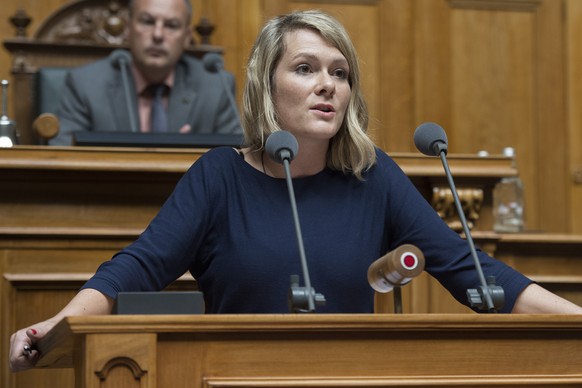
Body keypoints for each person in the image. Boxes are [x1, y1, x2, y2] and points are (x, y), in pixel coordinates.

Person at [10, 9, 582, 372]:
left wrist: (574, 318)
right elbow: (134, 268)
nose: (328, 85)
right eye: (306, 68)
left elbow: (476, 274)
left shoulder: (373, 175)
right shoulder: (220, 177)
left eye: (341, 72)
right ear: (268, 85)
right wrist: (54, 323)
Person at [49, 0, 241, 146]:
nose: (158, 35)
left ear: (186, 38)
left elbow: (237, 162)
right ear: (128, 30)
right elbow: (62, 155)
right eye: (147, 22)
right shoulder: (85, 84)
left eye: (171, 25)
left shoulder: (215, 88)